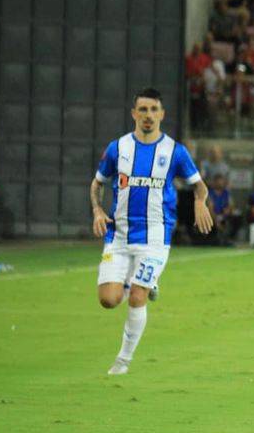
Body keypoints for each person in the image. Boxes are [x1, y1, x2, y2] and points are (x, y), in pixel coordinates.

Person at [90, 89, 214, 375]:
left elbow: (199, 185)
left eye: (153, 110)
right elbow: (97, 184)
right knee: (108, 300)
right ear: (134, 113)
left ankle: (123, 361)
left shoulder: (174, 151)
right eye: (142, 110)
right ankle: (136, 282)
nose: (148, 116)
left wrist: (200, 203)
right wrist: (98, 210)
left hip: (155, 237)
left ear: (162, 114)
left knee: (137, 295)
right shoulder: (117, 149)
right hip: (118, 236)